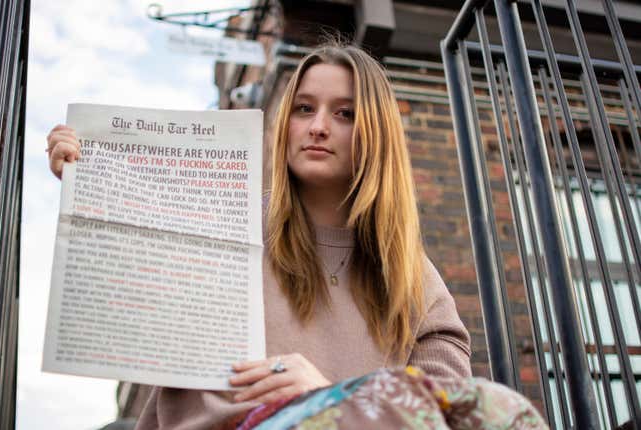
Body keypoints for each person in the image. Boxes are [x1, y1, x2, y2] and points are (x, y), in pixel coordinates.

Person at [46, 43, 472, 429]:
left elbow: (447, 418)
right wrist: (92, 176)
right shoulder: (219, 217)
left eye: (345, 113)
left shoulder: (416, 282)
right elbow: (128, 289)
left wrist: (327, 400)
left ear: (377, 134)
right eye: (304, 108)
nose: (319, 126)